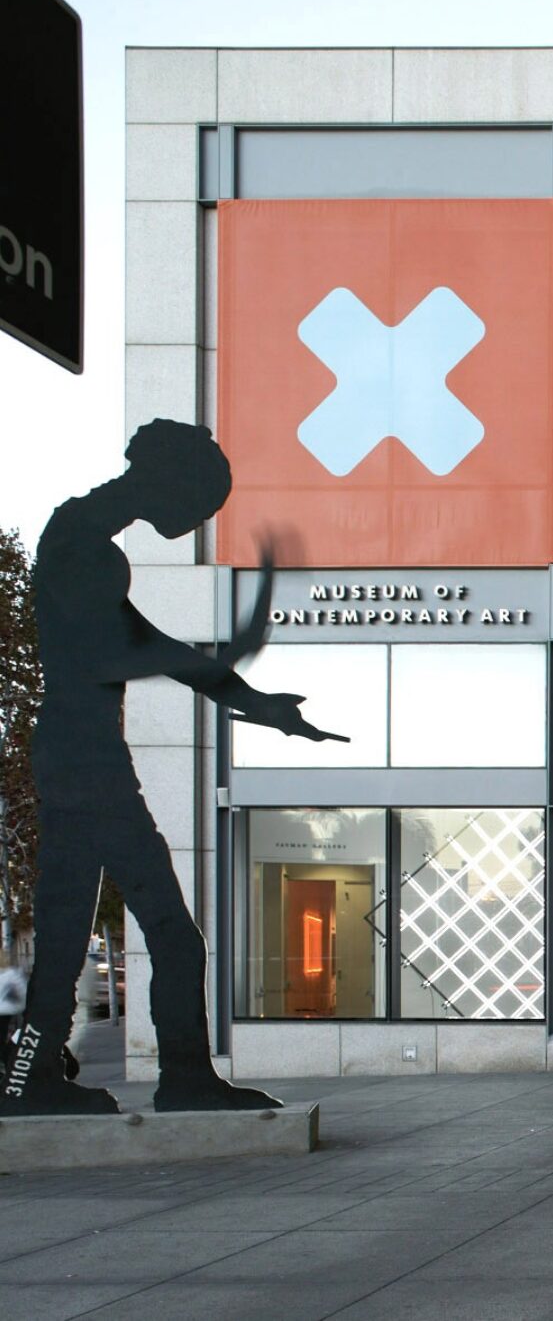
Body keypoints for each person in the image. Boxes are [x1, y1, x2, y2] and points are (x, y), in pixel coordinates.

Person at [3, 422, 344, 1117]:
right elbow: (115, 657)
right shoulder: (82, 545)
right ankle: (181, 1075)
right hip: (86, 758)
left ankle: (31, 1079)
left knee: (69, 929)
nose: (196, 520)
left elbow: (145, 645)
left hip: (76, 752)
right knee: (169, 931)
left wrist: (256, 700)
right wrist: (231, 655)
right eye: (198, 502)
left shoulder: (84, 540)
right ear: (166, 479)